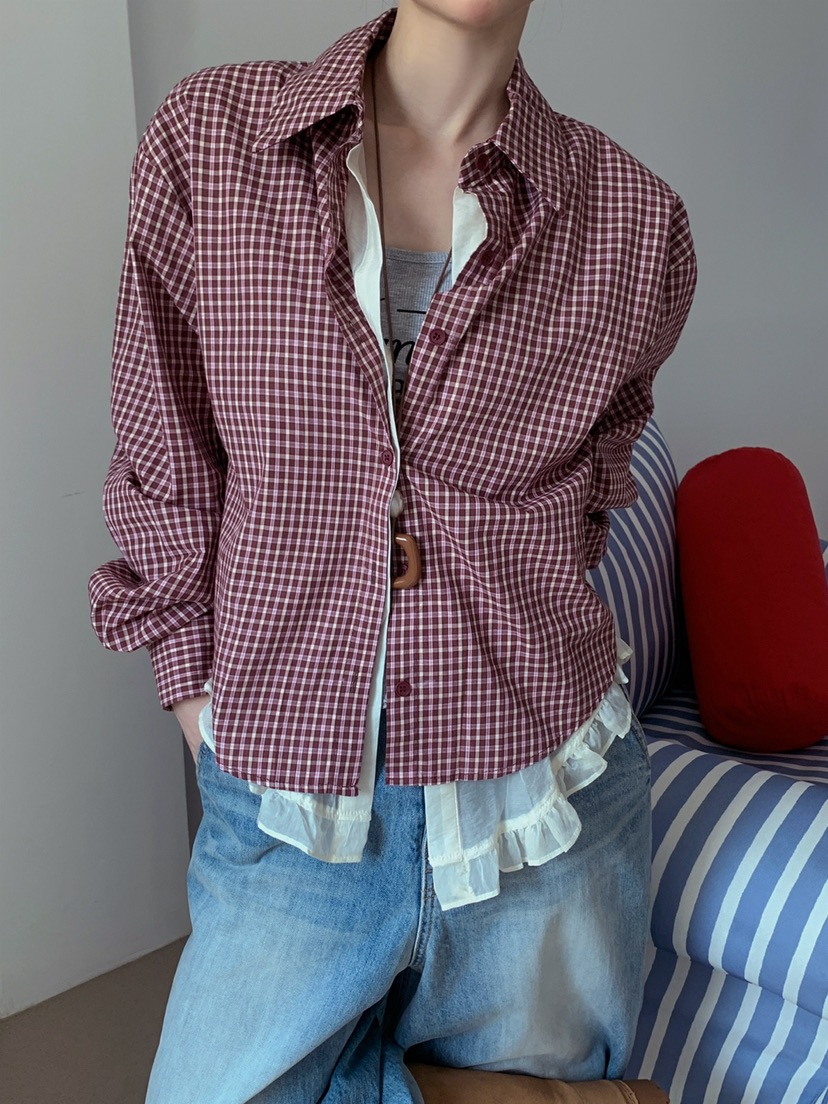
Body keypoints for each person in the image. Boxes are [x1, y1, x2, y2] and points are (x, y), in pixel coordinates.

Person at [89, 2, 696, 1101]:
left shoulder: (634, 221)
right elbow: (164, 446)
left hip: (543, 812)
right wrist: (201, 702)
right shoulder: (214, 141)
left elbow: (592, 494)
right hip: (293, 803)